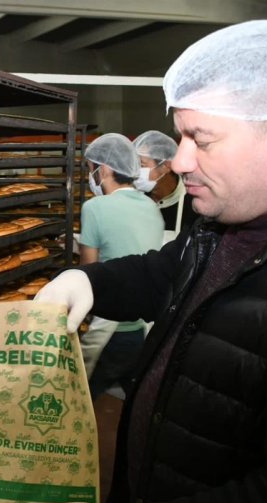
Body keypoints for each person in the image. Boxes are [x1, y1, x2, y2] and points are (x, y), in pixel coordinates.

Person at [17, 19, 267, 503]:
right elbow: (166, 271)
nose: (178, 162)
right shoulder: (224, 221)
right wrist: (87, 280)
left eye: (200, 140)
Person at [77, 133, 163, 401]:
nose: (90, 177)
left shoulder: (94, 207)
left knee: (79, 399)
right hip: (140, 328)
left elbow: (89, 271)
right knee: (138, 399)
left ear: (104, 169)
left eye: (91, 169)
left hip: (109, 330)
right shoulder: (151, 206)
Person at [132, 129, 196, 241]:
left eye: (141, 165)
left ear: (166, 166)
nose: (134, 172)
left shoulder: (192, 204)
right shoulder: (134, 201)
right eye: (133, 165)